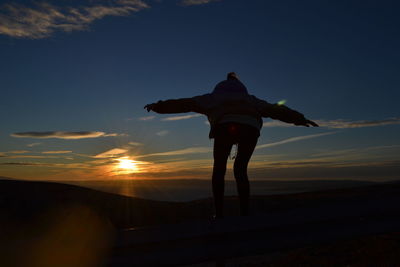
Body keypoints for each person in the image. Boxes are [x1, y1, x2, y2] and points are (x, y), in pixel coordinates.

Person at [144, 72, 318, 218]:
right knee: (240, 170)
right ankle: (244, 213)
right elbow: (276, 110)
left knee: (219, 169)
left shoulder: (212, 98)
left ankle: (219, 214)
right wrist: (300, 119)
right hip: (250, 128)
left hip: (224, 127)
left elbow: (184, 104)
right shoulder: (251, 99)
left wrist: (158, 106)